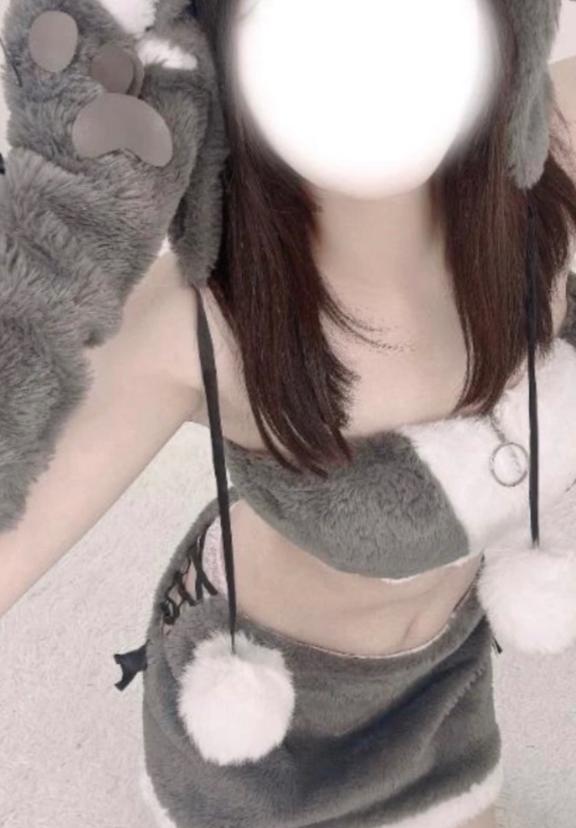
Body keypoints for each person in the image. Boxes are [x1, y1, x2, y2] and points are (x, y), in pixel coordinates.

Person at [1, 1, 576, 827]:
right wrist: (61, 240)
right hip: (264, 723)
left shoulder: (547, 154)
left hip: (447, 672)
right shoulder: (199, 324)